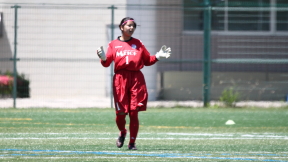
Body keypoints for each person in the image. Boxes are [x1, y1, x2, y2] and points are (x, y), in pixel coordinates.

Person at [96, 17, 171, 150]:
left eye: (133, 26)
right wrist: (103, 58)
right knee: (120, 113)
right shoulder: (113, 44)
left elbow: (147, 61)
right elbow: (106, 63)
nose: (131, 28)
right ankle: (123, 132)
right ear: (121, 27)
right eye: (129, 25)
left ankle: (132, 143)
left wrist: (158, 56)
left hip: (136, 79)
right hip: (120, 80)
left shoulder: (138, 43)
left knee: (134, 112)